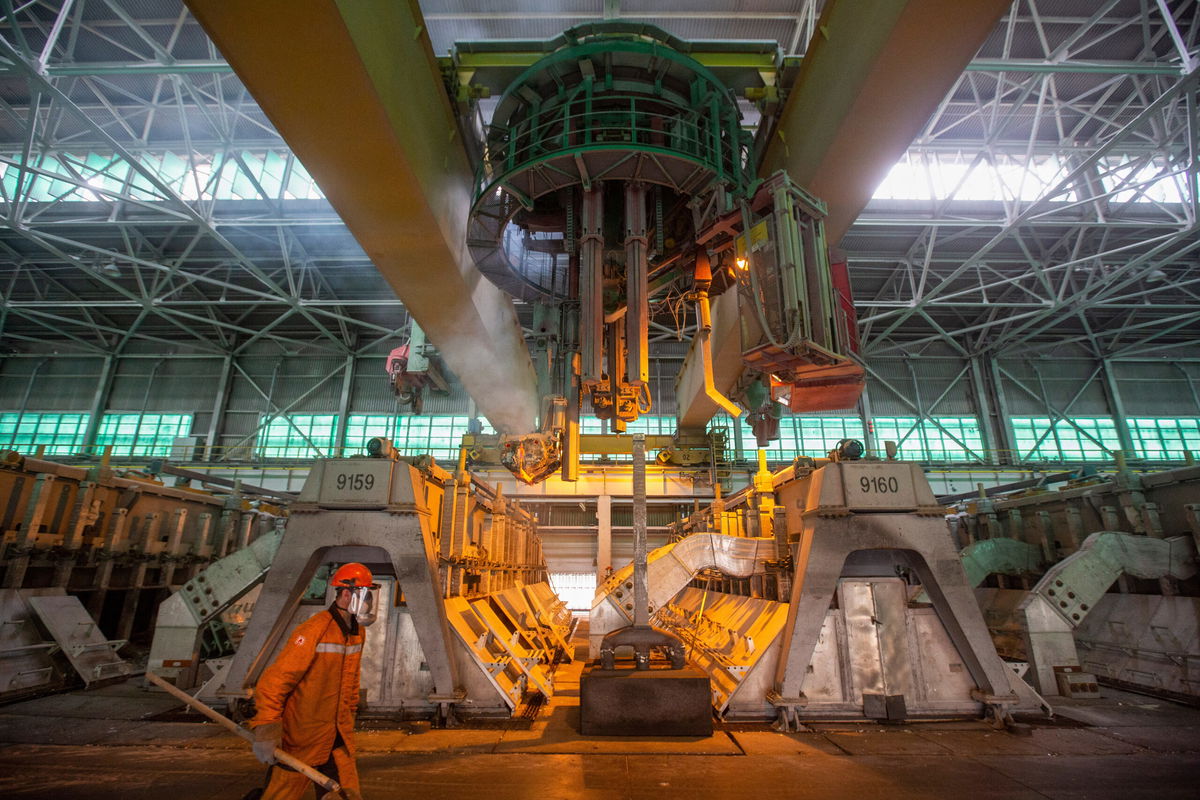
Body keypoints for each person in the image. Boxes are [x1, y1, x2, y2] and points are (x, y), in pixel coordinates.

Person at [247, 562, 378, 800]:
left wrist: (349, 715)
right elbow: (276, 680)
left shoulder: (357, 631)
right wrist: (267, 727)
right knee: (280, 795)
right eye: (365, 594)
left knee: (345, 795)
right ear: (346, 593)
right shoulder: (314, 629)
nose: (369, 601)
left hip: (336, 737)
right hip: (301, 737)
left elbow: (351, 678)